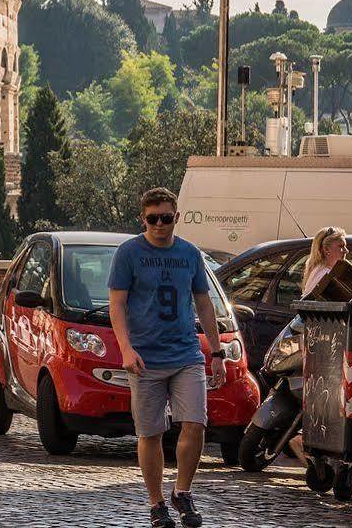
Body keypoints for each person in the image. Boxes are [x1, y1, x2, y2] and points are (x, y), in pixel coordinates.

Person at [109, 187, 223, 528]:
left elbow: (203, 303)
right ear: (143, 220)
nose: (160, 224)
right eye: (153, 218)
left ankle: (182, 491)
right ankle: (157, 501)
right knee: (151, 433)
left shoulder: (190, 254)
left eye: (167, 218)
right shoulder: (129, 253)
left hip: (186, 352)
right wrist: (125, 348)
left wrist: (216, 351)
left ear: (177, 216)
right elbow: (116, 303)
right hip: (145, 357)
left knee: (195, 423)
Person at [301, 226, 348, 298]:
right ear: (326, 249)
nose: (346, 251)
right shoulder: (325, 275)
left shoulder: (321, 270)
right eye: (341, 246)